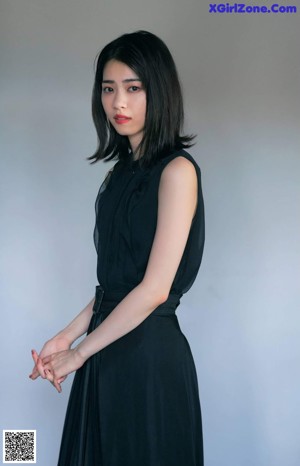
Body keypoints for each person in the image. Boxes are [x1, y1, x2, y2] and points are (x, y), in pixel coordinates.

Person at [29, 30, 205, 466]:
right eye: (109, 89)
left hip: (148, 361)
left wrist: (79, 352)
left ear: (158, 91)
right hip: (106, 349)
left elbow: (154, 289)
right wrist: (66, 336)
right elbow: (118, 282)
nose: (118, 103)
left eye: (133, 88)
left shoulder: (177, 171)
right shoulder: (119, 172)